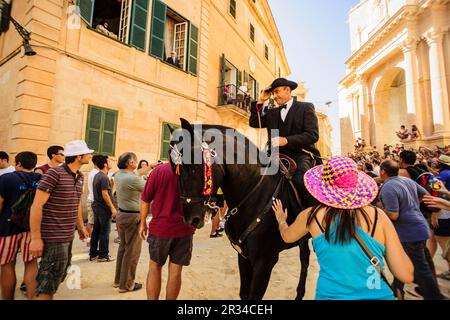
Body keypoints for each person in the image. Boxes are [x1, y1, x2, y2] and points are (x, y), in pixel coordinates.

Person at [272, 156, 413, 300]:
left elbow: (287, 237)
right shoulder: (378, 216)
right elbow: (405, 274)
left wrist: (281, 220)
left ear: (323, 185)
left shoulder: (311, 216)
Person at [29, 140, 91, 300]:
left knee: (58, 274)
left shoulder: (80, 176)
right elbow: (36, 206)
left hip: (67, 235)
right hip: (53, 236)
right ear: (79, 156)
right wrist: (35, 238)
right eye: (88, 153)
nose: (90, 156)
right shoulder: (54, 173)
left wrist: (81, 227)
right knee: (48, 283)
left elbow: (76, 202)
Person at [378, 160, 444, 300]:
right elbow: (425, 195)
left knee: (421, 268)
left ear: (383, 171)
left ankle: (434, 296)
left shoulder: (388, 187)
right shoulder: (406, 180)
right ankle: (396, 289)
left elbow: (393, 215)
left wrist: (378, 209)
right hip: (419, 227)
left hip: (408, 232)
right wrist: (410, 204)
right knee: (409, 261)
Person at [249, 78, 321, 207]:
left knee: (301, 182)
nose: (275, 96)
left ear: (287, 90)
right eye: (273, 93)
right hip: (274, 156)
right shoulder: (272, 112)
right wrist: (261, 101)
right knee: (254, 180)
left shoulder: (305, 107)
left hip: (300, 155)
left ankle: (312, 215)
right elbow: (254, 122)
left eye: (277, 92)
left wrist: (286, 140)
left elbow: (312, 135)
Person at [139, 163, 195, 300]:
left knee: (154, 267)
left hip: (160, 228)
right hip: (184, 229)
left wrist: (142, 224)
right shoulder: (194, 171)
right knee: (175, 272)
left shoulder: (159, 171)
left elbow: (145, 200)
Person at [113, 152, 158, 293]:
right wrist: (158, 173)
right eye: (135, 161)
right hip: (132, 218)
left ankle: (118, 280)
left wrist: (151, 166)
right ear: (131, 163)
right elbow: (151, 190)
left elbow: (137, 173)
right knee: (132, 253)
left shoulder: (120, 174)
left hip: (122, 215)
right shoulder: (132, 179)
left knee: (123, 249)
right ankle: (126, 285)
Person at [0, 152, 41, 300]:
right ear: (34, 164)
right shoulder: (41, 179)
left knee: (7, 264)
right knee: (31, 264)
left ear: (18, 164)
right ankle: (32, 297)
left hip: (7, 228)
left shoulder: (6, 179)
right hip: (31, 228)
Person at [89, 155, 116, 262]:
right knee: (105, 232)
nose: (111, 162)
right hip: (103, 208)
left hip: (97, 206)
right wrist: (112, 208)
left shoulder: (98, 175)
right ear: (105, 164)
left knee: (96, 231)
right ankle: (103, 255)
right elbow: (105, 194)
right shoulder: (104, 177)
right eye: (109, 161)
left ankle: (93, 253)